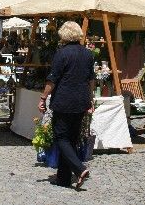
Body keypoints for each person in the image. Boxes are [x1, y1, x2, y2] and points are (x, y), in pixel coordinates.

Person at [38, 21, 94, 189]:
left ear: (64, 35)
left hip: (64, 100)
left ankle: (79, 169)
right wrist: (90, 98)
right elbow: (91, 79)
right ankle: (63, 178)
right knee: (71, 139)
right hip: (81, 100)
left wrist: (43, 97)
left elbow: (52, 78)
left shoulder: (62, 54)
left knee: (61, 137)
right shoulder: (87, 54)